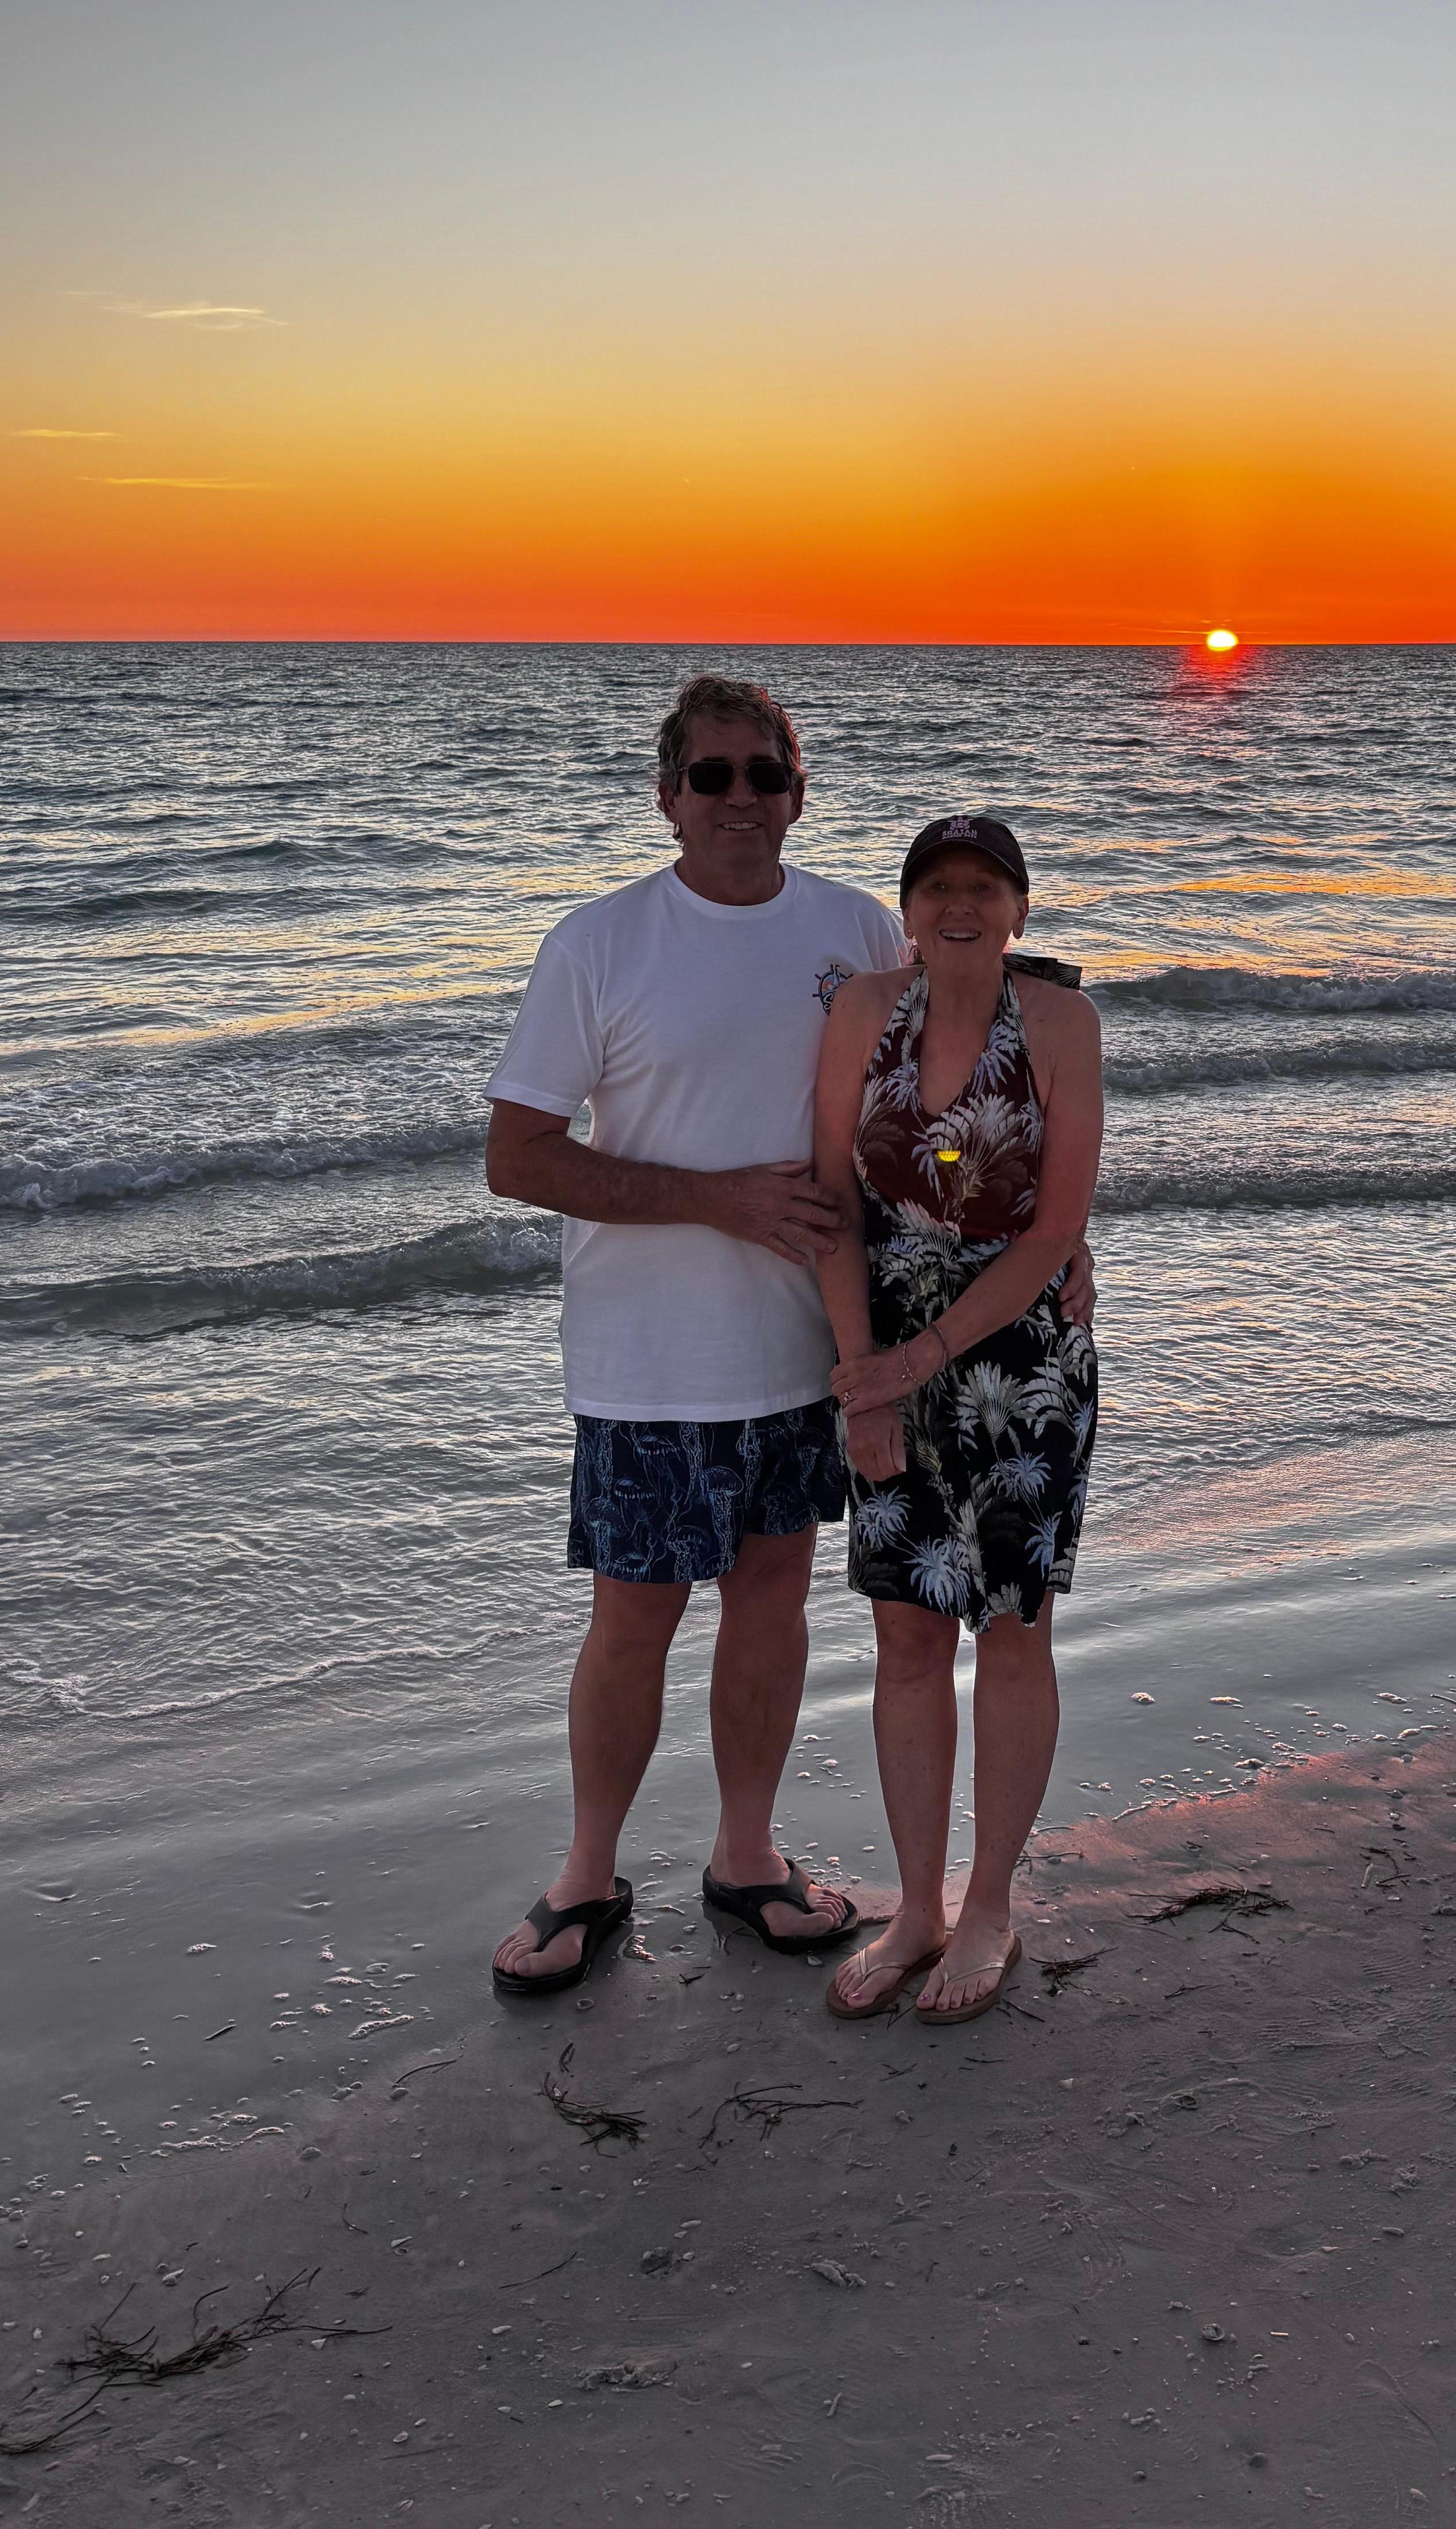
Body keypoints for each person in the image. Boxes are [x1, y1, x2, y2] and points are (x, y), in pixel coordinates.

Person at [480, 674, 903, 1991]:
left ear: (798, 791)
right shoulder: (599, 943)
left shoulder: (858, 930)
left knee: (772, 1605)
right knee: (634, 1616)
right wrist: (714, 1203)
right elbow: (518, 1156)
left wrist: (1041, 1257)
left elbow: (909, 1129)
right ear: (667, 797)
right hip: (647, 1358)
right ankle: (586, 1878)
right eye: (710, 777)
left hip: (803, 1345)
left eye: (763, 776)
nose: (739, 800)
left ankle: (747, 1857)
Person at [811, 814, 1103, 2027]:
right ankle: (918, 1907)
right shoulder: (862, 1011)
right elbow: (829, 1203)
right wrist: (864, 1373)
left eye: (985, 888)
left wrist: (921, 1355)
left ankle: (990, 1904)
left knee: (1012, 1629)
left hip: (1021, 1367)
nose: (960, 906)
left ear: (1021, 910)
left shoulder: (1060, 1024)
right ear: (908, 910)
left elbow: (1050, 1232)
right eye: (936, 888)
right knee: (907, 1636)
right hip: (884, 1357)